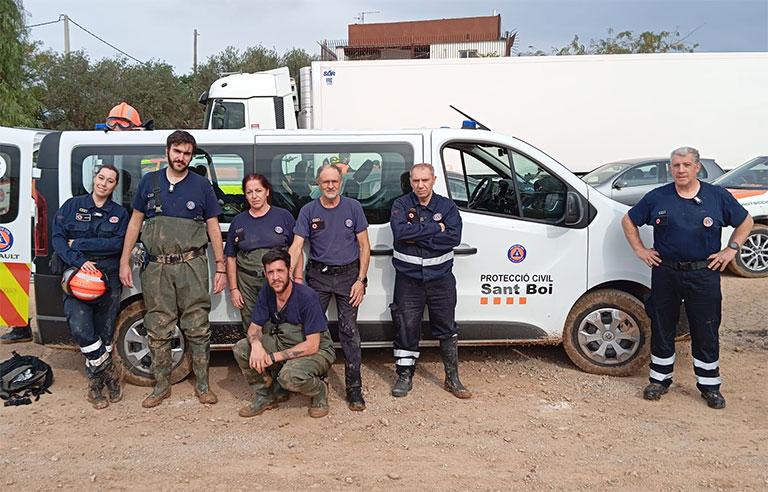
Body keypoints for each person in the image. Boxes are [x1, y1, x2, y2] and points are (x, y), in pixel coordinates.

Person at [622, 146, 753, 409]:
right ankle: (659, 380)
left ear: (697, 168)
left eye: (686, 165)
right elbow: (628, 220)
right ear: (671, 169)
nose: (680, 170)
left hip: (704, 274)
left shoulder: (717, 196)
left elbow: (746, 222)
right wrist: (640, 250)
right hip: (665, 272)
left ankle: (709, 386)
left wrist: (732, 250)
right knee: (662, 325)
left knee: (705, 328)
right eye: (676, 165)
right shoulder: (657, 197)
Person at [119, 130, 227, 408]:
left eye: (187, 153)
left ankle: (203, 385)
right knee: (157, 326)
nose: (181, 158)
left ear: (192, 156)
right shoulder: (148, 182)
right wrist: (124, 260)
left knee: (198, 326)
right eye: (177, 151)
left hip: (192, 265)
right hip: (156, 268)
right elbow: (135, 223)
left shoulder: (202, 185)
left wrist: (221, 266)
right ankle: (162, 385)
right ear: (167, 152)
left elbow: (213, 227)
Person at [288, 163, 370, 411]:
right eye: (326, 182)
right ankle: (317, 383)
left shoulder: (353, 208)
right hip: (318, 277)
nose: (331, 186)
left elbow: (365, 247)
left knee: (349, 332)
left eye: (335, 181)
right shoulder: (308, 211)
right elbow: (296, 246)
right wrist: (286, 277)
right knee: (313, 331)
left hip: (348, 277)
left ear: (341, 182)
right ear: (318, 183)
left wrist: (361, 280)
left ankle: (354, 389)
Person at [389, 163, 472, 399]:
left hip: (440, 280)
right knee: (406, 327)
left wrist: (418, 235)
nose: (420, 185)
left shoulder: (446, 206)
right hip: (408, 280)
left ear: (434, 179)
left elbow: (453, 237)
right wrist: (436, 228)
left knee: (447, 328)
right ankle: (405, 376)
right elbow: (401, 235)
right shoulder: (401, 204)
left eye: (425, 180)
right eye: (415, 181)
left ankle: (452, 378)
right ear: (411, 181)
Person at [52, 165, 128, 408]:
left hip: (108, 276)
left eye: (110, 181)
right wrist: (79, 260)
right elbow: (58, 239)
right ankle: (108, 372)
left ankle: (95, 385)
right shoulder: (72, 206)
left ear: (115, 186)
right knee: (81, 328)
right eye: (101, 178)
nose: (103, 184)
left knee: (105, 333)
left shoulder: (119, 214)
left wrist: (81, 243)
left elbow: (118, 244)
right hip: (77, 276)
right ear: (94, 179)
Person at [232, 248, 336, 418]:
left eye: (280, 271)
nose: (275, 277)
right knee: (242, 349)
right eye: (271, 272)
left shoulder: (306, 297)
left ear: (289, 271)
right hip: (283, 341)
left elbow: (312, 345)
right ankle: (265, 397)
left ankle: (320, 391)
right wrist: (256, 345)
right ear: (265, 274)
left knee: (288, 377)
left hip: (317, 349)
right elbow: (254, 327)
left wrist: (273, 358)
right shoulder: (266, 292)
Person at [225, 174, 296, 332]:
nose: (254, 196)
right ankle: (254, 356)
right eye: (249, 192)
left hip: (277, 281)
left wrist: (296, 279)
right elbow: (230, 257)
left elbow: (296, 249)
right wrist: (234, 289)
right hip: (247, 282)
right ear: (245, 195)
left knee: (282, 324)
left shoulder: (283, 216)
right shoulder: (238, 221)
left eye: (258, 190)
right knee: (251, 326)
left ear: (267, 192)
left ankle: (278, 356)